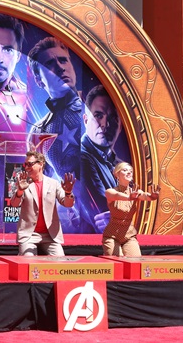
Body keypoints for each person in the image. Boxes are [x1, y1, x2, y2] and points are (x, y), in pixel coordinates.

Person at [27, 37, 84, 179]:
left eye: (63, 60)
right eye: (49, 64)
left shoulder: (96, 109)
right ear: (39, 80)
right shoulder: (38, 132)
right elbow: (40, 184)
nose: (60, 67)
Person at [9, 151, 76, 256]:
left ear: (41, 164)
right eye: (25, 164)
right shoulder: (22, 183)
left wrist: (68, 193)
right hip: (29, 235)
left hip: (50, 235)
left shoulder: (53, 183)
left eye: (30, 164)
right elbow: (14, 204)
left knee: (59, 261)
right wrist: (20, 191)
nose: (26, 167)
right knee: (27, 262)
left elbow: (68, 204)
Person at [79, 84, 122, 233]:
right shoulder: (80, 159)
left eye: (112, 117)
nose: (105, 124)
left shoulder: (118, 163)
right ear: (85, 120)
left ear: (121, 124)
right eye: (98, 116)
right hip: (90, 247)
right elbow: (102, 213)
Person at [103, 162, 160, 257]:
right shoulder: (110, 192)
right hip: (112, 236)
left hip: (129, 236)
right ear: (117, 174)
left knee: (136, 261)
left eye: (131, 171)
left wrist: (153, 196)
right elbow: (117, 195)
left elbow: (146, 196)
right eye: (125, 170)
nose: (129, 173)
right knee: (118, 260)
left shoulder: (136, 192)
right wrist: (129, 197)